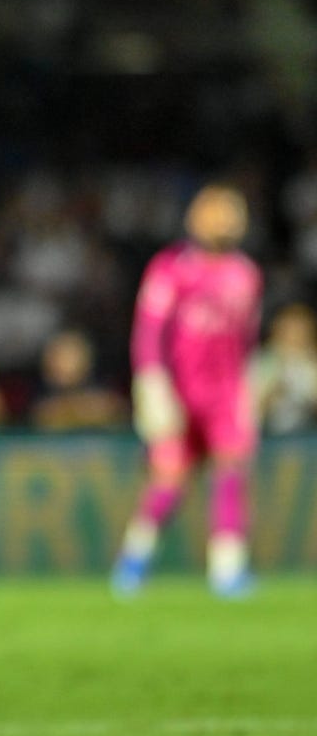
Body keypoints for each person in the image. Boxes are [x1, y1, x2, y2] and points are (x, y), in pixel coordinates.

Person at [112, 183, 263, 599]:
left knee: (231, 473)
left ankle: (228, 570)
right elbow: (148, 331)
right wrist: (152, 383)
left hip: (226, 394)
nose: (225, 221)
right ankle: (134, 560)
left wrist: (249, 388)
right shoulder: (170, 268)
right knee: (169, 479)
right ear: (195, 218)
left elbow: (247, 339)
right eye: (216, 212)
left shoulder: (245, 273)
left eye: (232, 213)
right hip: (178, 390)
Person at [29, 328, 127, 431]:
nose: (59, 363)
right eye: (54, 355)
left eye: (68, 355)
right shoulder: (39, 401)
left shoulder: (105, 399)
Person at [250, 302, 317, 434]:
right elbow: (251, 413)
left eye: (301, 331)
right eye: (289, 331)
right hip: (269, 436)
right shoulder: (263, 362)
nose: (295, 337)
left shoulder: (312, 361)